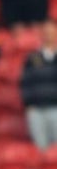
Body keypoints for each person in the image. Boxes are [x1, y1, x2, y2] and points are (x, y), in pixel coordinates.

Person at [20, 19, 57, 150]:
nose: (49, 35)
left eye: (52, 32)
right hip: (37, 110)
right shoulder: (33, 57)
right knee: (41, 151)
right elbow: (25, 82)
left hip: (55, 109)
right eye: (46, 32)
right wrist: (29, 104)